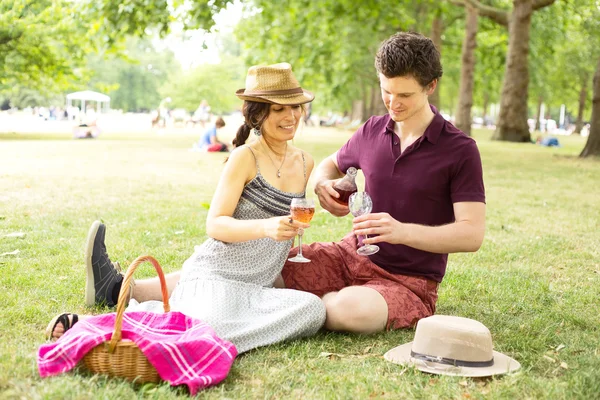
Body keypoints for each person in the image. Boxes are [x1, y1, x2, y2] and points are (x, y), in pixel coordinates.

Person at [46, 63, 326, 354]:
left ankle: (192, 331)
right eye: (279, 109)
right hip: (215, 276)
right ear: (259, 114)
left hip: (257, 287)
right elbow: (215, 224)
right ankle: (102, 326)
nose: (291, 115)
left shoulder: (305, 162)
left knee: (313, 310)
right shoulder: (245, 157)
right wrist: (266, 227)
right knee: (211, 322)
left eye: (296, 106)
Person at [280, 31, 485, 334]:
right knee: (270, 268)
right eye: (386, 91)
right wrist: (323, 184)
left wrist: (400, 232)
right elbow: (330, 165)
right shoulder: (373, 129)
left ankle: (294, 305)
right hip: (348, 255)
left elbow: (471, 235)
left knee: (344, 311)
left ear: (431, 86)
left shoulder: (460, 149)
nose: (393, 103)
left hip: (408, 281)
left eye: (405, 95)